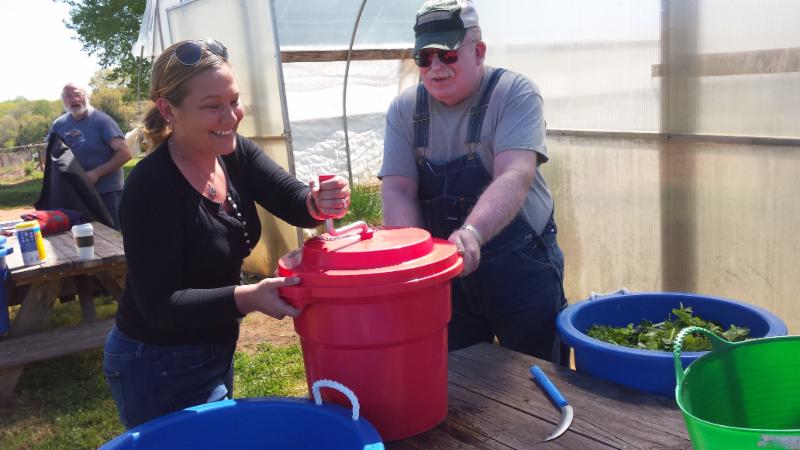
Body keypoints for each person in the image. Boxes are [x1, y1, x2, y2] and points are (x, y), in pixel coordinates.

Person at [103, 38, 351, 429]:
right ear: (168, 110)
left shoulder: (233, 153)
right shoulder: (150, 188)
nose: (230, 116)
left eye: (234, 101)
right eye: (212, 106)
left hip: (213, 346)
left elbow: (292, 200)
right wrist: (249, 297)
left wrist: (319, 201)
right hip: (156, 361)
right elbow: (161, 306)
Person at [379, 0, 567, 362]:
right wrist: (412, 256)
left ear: (478, 52)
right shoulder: (404, 110)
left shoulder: (514, 94)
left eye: (447, 55)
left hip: (522, 269)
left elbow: (515, 173)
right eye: (424, 58)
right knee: (457, 375)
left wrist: (472, 233)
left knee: (537, 373)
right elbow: (398, 189)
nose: (436, 68)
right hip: (446, 275)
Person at [48, 82, 132, 229]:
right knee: (81, 235)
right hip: (76, 194)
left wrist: (96, 173)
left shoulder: (102, 121)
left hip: (107, 193)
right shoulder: (59, 125)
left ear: (87, 96)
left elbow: (124, 153)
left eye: (78, 94)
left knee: (112, 236)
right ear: (63, 100)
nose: (74, 99)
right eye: (68, 96)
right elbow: (48, 153)